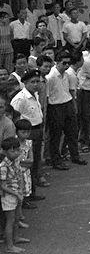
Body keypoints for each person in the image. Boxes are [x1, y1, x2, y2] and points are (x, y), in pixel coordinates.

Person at [45, 50, 86, 169]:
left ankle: (75, 156)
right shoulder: (51, 77)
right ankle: (56, 160)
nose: (67, 65)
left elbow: (70, 91)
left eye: (69, 63)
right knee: (56, 136)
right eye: (64, 63)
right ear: (57, 62)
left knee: (72, 132)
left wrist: (73, 106)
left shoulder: (66, 74)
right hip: (55, 106)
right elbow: (47, 97)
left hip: (67, 103)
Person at [10, 70, 45, 202]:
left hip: (36, 130)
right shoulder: (20, 98)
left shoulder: (34, 95)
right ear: (24, 83)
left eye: (37, 81)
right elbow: (14, 118)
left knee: (35, 162)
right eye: (32, 82)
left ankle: (32, 192)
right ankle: (24, 197)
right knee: (25, 166)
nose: (36, 84)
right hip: (26, 134)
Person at [1, 136, 29, 253]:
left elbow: (20, 175)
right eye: (13, 151)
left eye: (17, 150)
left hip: (18, 192)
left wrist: (21, 190)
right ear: (5, 151)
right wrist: (16, 194)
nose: (16, 153)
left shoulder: (16, 161)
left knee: (17, 218)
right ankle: (9, 246)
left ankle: (16, 238)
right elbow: (2, 186)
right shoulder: (3, 166)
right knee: (10, 220)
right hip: (9, 195)